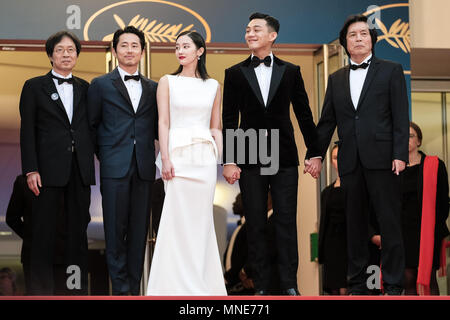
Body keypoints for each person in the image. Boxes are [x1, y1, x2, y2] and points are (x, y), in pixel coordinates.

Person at [306, 14, 410, 295]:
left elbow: (401, 117)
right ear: (345, 43)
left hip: (385, 159)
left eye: (364, 33)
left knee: (389, 222)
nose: (359, 38)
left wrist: (400, 153)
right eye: (353, 35)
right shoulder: (336, 78)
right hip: (350, 162)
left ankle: (395, 284)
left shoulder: (391, 70)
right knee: (355, 225)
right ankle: (357, 285)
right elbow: (327, 121)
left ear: (372, 40)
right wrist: (315, 154)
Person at [222, 12, 319, 296]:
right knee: (255, 221)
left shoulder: (291, 71)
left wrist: (314, 152)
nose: (250, 33)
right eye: (247, 30)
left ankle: (290, 283)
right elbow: (230, 119)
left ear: (272, 35)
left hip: (284, 153)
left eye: (256, 29)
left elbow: (304, 114)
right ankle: (261, 285)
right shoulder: (234, 73)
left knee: (286, 221)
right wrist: (230, 159)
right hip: (248, 149)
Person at [146, 31, 226, 296]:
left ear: (200, 51)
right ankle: (170, 285)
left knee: (201, 222)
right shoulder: (167, 82)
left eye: (186, 46)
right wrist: (165, 158)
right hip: (177, 159)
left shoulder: (213, 85)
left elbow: (216, 127)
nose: (180, 50)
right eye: (177, 46)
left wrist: (223, 160)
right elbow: (163, 122)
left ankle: (204, 286)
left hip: (203, 159)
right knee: (175, 219)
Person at [19, 31, 94, 295]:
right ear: (50, 55)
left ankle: (75, 290)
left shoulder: (87, 88)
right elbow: (27, 131)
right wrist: (31, 168)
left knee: (78, 236)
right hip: (46, 171)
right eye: (60, 50)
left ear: (77, 55)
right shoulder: (33, 86)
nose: (66, 54)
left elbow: (92, 128)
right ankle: (40, 292)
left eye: (71, 50)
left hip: (80, 170)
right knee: (42, 234)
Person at [87, 26, 158, 296]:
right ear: (115, 50)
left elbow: (156, 128)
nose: (130, 50)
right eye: (124, 45)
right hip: (113, 167)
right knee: (115, 231)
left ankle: (133, 287)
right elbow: (92, 126)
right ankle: (119, 290)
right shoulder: (100, 85)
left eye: (135, 45)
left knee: (139, 231)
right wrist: (106, 155)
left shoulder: (154, 87)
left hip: (143, 167)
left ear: (142, 50)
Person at [400, 122, 449, 295]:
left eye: (411, 136)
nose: (407, 139)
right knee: (407, 278)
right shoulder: (395, 168)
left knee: (429, 278)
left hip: (428, 232)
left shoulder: (436, 165)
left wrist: (434, 228)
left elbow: (444, 202)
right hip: (404, 232)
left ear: (419, 141)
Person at [5, 175, 68, 295]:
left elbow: (80, 216)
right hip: (34, 256)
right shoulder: (23, 181)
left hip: (63, 254)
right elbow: (12, 218)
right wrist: (32, 237)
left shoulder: (67, 177)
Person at [318, 145, 348, 295]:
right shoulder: (326, 192)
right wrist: (320, 251)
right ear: (331, 162)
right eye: (335, 158)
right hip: (332, 245)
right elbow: (324, 222)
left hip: (351, 243)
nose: (340, 161)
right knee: (335, 288)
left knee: (353, 287)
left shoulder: (359, 187)